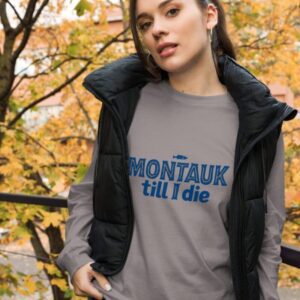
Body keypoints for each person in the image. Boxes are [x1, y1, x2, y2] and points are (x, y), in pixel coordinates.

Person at [56, 0, 298, 299]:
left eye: (172, 11)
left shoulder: (259, 123)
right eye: (145, 24)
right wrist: (76, 257)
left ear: (209, 15)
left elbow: (267, 235)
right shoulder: (124, 104)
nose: (157, 29)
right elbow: (89, 191)